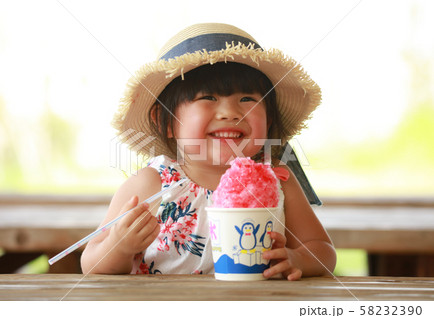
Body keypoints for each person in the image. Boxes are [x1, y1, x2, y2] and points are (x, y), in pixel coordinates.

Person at [81, 23, 336, 280]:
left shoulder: (278, 179)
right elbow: (90, 263)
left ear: (268, 121)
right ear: (165, 121)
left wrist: (298, 258)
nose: (230, 113)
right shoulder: (151, 184)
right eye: (208, 98)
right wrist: (120, 246)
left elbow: (323, 250)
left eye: (247, 99)